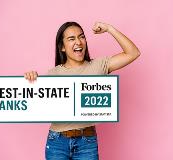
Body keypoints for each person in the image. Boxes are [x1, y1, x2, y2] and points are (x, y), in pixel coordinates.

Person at [24, 21, 140, 160]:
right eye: (71, 39)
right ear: (62, 47)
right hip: (57, 142)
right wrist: (31, 80)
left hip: (87, 143)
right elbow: (35, 101)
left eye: (82, 37)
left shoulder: (98, 65)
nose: (78, 42)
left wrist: (110, 28)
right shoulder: (53, 74)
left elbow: (133, 53)